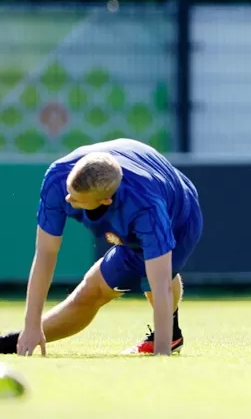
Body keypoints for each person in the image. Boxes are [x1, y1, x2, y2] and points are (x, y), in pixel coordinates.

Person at [0, 138, 202, 357]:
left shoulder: (147, 210)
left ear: (105, 200)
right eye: (68, 191)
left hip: (179, 218)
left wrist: (162, 357)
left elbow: (161, 285)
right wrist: (31, 326)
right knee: (89, 292)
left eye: (76, 199)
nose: (67, 199)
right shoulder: (58, 177)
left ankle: (168, 338)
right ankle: (14, 341)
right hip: (141, 190)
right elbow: (46, 253)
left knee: (150, 278)